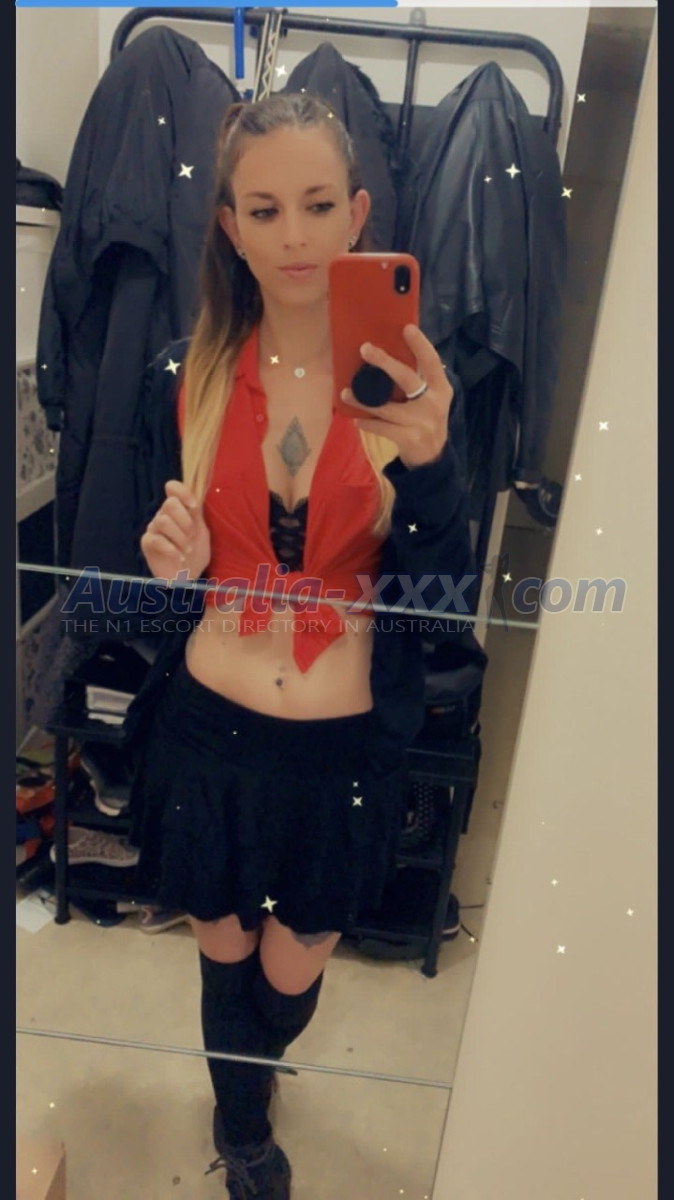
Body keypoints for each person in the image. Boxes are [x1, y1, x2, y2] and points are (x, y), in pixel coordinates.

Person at [127, 93, 475, 1198]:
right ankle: (242, 1132)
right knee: (222, 953)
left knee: (290, 970)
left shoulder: (406, 392)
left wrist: (432, 470)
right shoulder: (184, 377)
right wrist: (173, 569)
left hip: (340, 754)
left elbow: (442, 602)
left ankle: (250, 1072)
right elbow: (144, 579)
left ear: (358, 213)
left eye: (319, 205)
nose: (294, 236)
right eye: (265, 209)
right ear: (230, 226)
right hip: (206, 733)